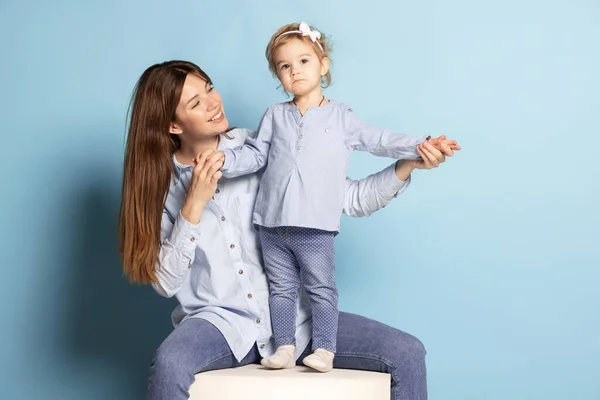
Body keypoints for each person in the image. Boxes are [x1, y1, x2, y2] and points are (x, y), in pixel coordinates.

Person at [119, 60, 455, 400]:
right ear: (174, 125)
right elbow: (165, 283)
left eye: (209, 88)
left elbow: (350, 199)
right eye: (195, 103)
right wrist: (193, 205)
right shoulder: (159, 186)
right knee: (170, 362)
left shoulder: (267, 146)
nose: (212, 103)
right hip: (220, 325)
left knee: (407, 353)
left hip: (297, 321)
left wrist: (407, 165)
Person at [219, 21, 461, 372]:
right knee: (281, 291)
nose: (294, 71)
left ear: (323, 64)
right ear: (277, 74)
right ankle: (284, 346)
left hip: (315, 226)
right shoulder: (274, 115)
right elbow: (255, 155)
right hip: (271, 224)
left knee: (321, 289)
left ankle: (324, 350)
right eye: (285, 66)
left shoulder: (341, 117)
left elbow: (377, 140)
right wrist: (221, 161)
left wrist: (419, 145)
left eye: (303, 61)